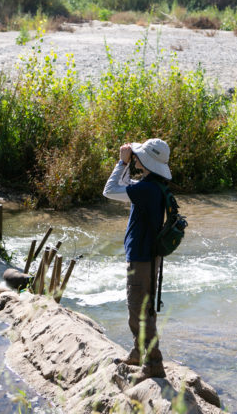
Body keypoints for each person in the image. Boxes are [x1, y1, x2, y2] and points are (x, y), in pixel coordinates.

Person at [102, 138, 171, 382]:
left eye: (138, 155)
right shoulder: (154, 184)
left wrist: (122, 162)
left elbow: (109, 190)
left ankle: (153, 364)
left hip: (142, 257)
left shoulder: (146, 189)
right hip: (149, 256)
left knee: (138, 310)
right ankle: (138, 352)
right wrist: (129, 164)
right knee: (144, 308)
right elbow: (122, 185)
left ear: (146, 160)